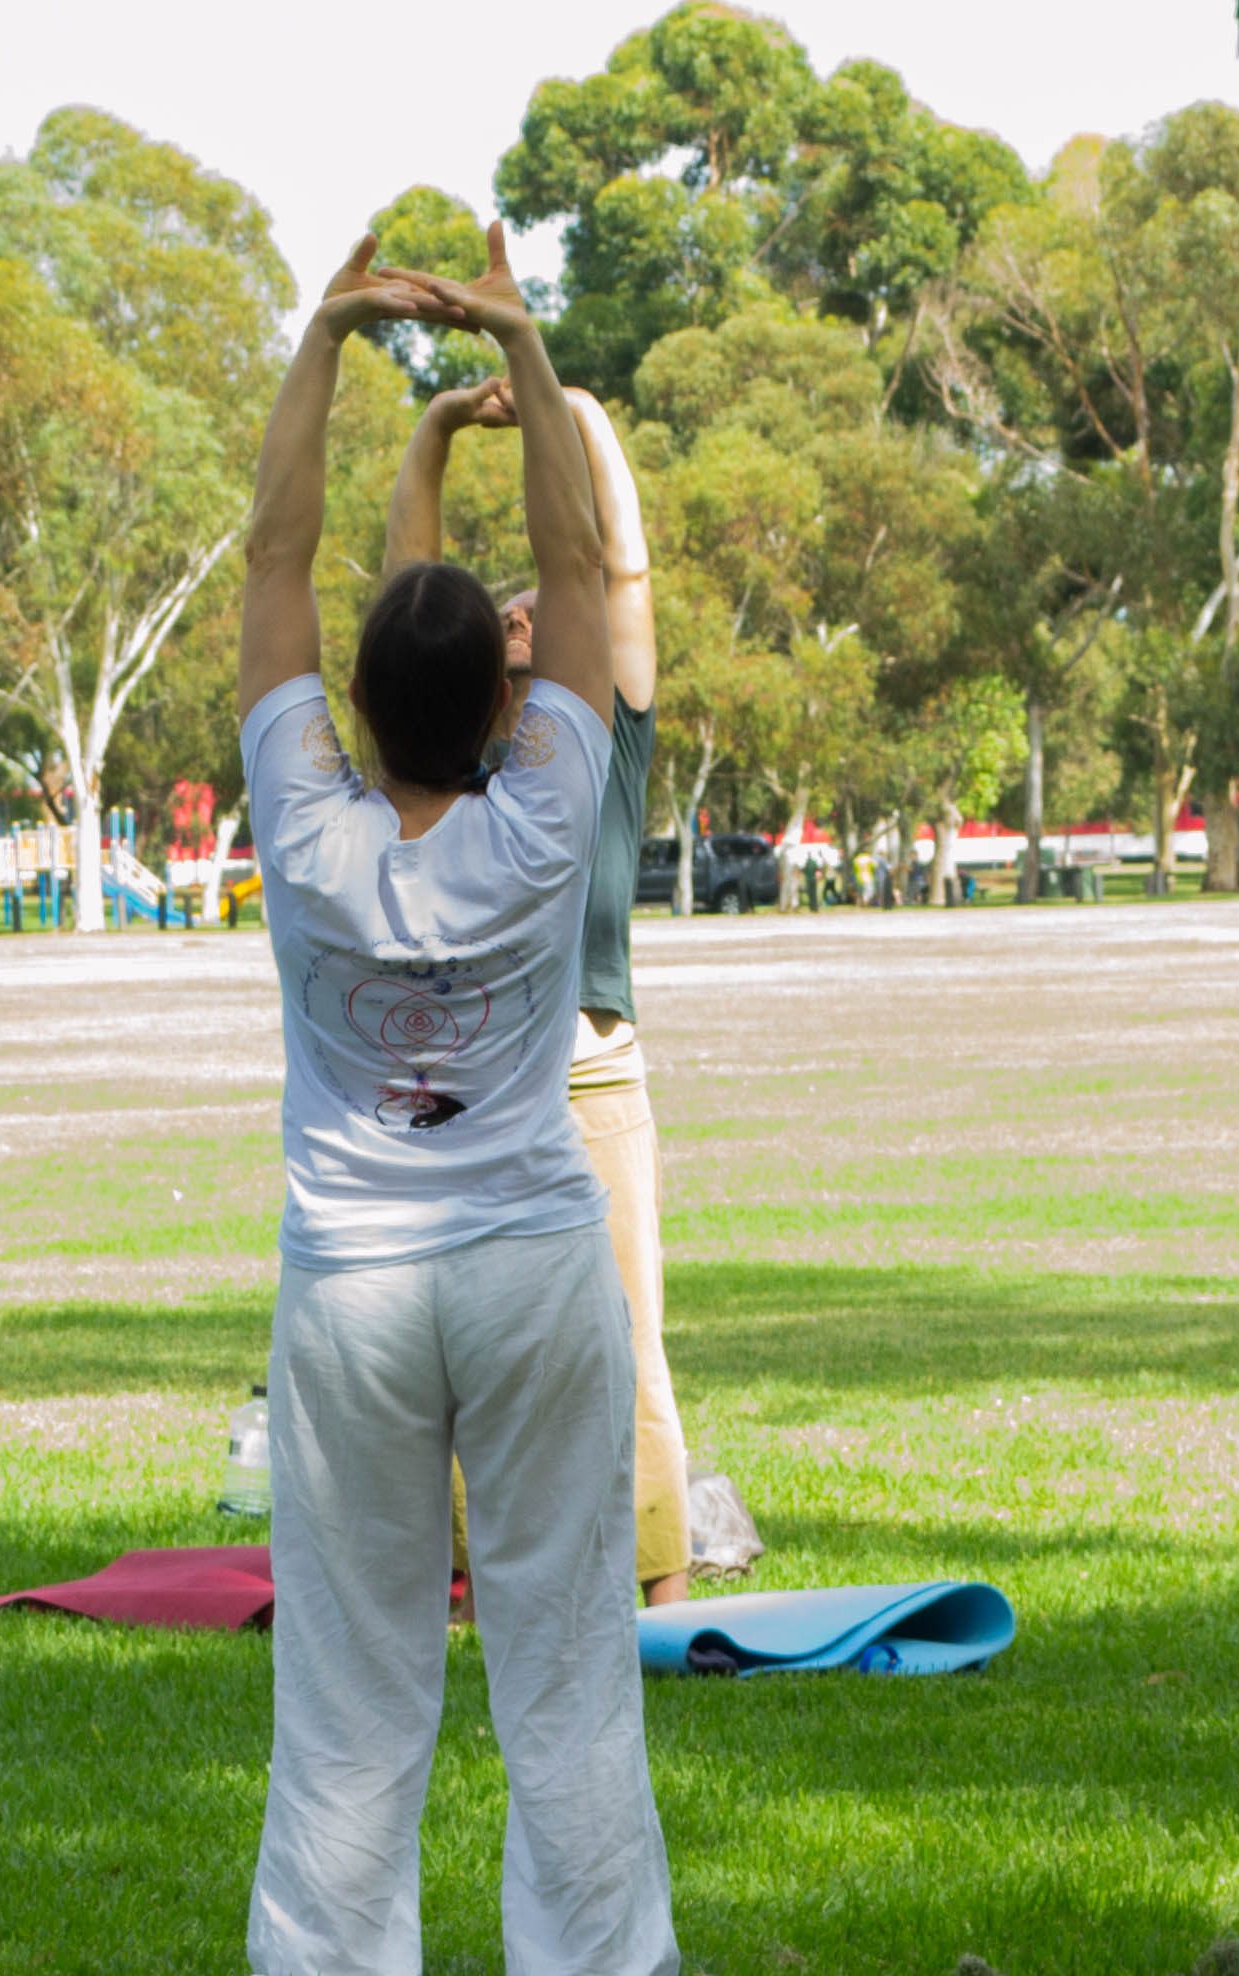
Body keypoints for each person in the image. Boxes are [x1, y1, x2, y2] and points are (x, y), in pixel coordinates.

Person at [232, 227, 677, 1976]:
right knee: (564, 1638)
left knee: (352, 1657)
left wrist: (330, 334)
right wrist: (529, 345)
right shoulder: (550, 805)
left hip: (348, 1276)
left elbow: (272, 550)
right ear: (508, 697)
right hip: (525, 1258)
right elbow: (578, 555)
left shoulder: (305, 823)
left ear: (350, 702)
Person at [387, 375, 692, 1608]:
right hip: (468, 1080)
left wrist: (587, 422)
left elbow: (621, 576)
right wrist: (436, 431)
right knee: (454, 1346)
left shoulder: (595, 752)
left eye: (532, 608)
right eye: (500, 612)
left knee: (626, 1343)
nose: (520, 611)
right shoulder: (437, 758)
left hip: (589, 1068)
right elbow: (406, 600)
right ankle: (472, 1575)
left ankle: (660, 1582)